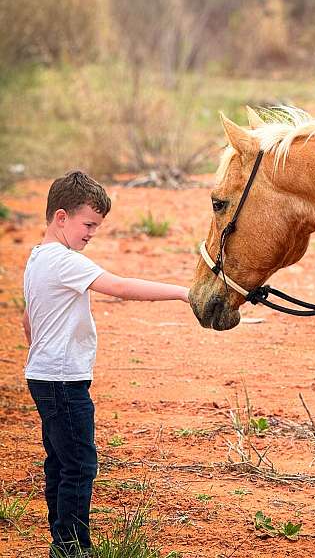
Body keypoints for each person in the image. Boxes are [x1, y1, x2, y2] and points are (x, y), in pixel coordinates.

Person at [22, 171, 190, 556]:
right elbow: (119, 286)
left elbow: (27, 320)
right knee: (79, 466)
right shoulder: (64, 262)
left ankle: (62, 542)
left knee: (60, 464)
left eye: (96, 227)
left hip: (44, 376)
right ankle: (72, 547)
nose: (91, 233)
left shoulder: (36, 260)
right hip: (63, 382)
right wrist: (183, 294)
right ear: (61, 217)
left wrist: (44, 355)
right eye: (88, 224)